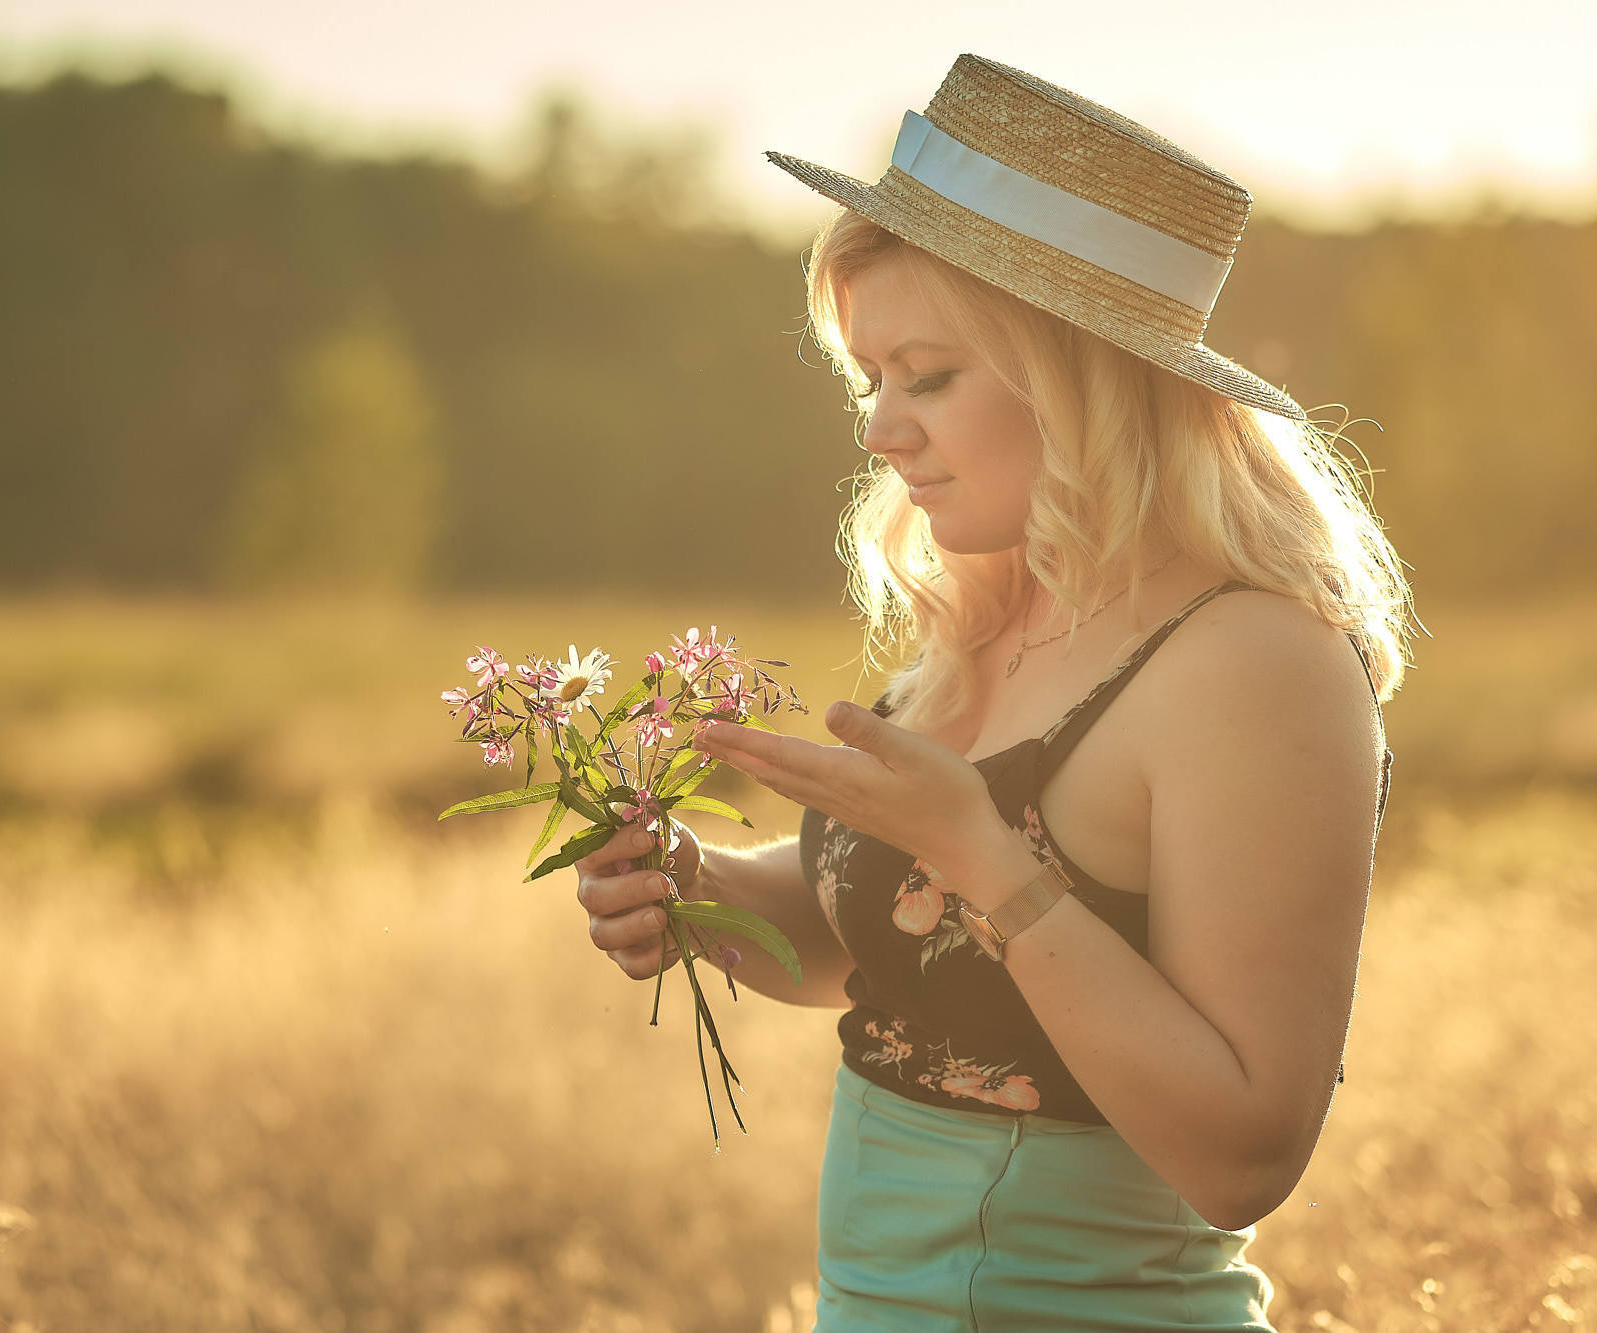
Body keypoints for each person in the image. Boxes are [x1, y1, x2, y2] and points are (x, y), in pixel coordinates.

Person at [574, 53, 1411, 1331]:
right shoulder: (993, 612)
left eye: (926, 375)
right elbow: (894, 944)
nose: (877, 430)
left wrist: (979, 853)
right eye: (869, 379)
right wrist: (701, 889)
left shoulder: (1254, 665)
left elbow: (1244, 1151)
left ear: (1079, 373)